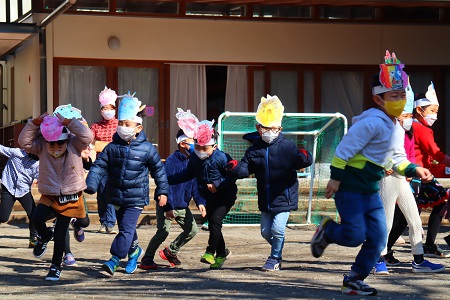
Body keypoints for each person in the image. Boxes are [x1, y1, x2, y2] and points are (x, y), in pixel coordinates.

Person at [309, 51, 433, 296]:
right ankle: (328, 230)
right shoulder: (371, 122)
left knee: (378, 239)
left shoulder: (395, 126)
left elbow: (396, 159)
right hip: (350, 188)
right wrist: (335, 177)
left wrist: (414, 168)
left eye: (402, 94)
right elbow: (343, 149)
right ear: (378, 99)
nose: (398, 99)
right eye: (393, 95)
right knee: (355, 235)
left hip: (370, 190)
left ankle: (354, 279)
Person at [85, 92, 169, 275]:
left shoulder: (147, 149)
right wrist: (91, 183)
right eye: (120, 124)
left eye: (127, 125)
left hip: (136, 198)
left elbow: (159, 172)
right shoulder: (112, 147)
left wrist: (163, 191)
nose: (123, 127)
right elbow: (99, 165)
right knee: (126, 229)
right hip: (116, 195)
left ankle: (115, 259)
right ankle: (134, 252)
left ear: (138, 128)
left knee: (126, 229)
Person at [226, 95, 312, 271]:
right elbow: (244, 169)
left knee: (278, 229)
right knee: (266, 232)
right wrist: (234, 168)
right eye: (266, 128)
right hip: (266, 199)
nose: (270, 131)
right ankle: (277, 250)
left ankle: (274, 258)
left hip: (284, 197)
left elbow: (300, 161)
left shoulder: (287, 147)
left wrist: (305, 157)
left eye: (274, 128)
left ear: (280, 129)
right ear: (258, 128)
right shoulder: (253, 150)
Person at [375, 82, 445, 274]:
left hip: (404, 179)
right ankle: (378, 258)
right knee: (387, 221)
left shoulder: (407, 131)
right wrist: (385, 166)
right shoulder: (384, 129)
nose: (409, 119)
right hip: (388, 180)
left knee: (414, 220)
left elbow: (408, 157)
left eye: (409, 116)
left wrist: (413, 170)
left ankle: (419, 259)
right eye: (404, 116)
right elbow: (376, 153)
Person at [18, 104, 93, 281]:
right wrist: (34, 124)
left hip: (71, 195)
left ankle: (55, 267)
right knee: (36, 218)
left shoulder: (75, 144)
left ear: (67, 139)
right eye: (52, 142)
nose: (55, 146)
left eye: (60, 142)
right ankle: (44, 236)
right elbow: (24, 142)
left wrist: (69, 122)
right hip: (50, 194)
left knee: (62, 233)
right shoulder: (42, 146)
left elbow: (87, 136)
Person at [167, 109, 237, 269]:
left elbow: (233, 176)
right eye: (197, 147)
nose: (200, 151)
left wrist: (217, 184)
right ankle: (221, 254)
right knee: (214, 225)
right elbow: (186, 175)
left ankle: (209, 252)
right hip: (209, 196)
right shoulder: (195, 159)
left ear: (214, 146)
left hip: (225, 196)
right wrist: (166, 178)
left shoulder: (222, 157)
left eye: (205, 148)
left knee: (215, 221)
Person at [388, 82, 450, 259]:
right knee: (404, 217)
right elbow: (435, 153)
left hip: (420, 175)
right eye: (432, 111)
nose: (435, 115)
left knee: (438, 202)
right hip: (413, 176)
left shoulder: (412, 126)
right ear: (420, 110)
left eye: (437, 111)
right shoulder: (419, 128)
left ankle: (427, 246)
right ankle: (384, 251)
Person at [139, 128, 206, 270]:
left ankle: (171, 251)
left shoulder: (193, 161)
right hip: (167, 204)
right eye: (192, 141)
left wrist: (200, 202)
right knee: (163, 232)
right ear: (182, 144)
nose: (195, 144)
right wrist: (168, 208)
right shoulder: (171, 162)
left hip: (182, 205)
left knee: (192, 230)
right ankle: (147, 258)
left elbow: (195, 183)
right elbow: (165, 186)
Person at [90, 87, 119, 234]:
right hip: (101, 162)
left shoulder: (120, 125)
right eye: (104, 108)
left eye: (110, 108)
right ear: (101, 110)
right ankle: (103, 221)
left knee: (111, 191)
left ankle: (111, 222)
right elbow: (89, 141)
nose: (107, 111)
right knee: (101, 191)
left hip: (116, 161)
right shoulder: (95, 126)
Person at [0, 145, 39, 248]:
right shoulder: (17, 153)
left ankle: (33, 239)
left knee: (34, 215)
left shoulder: (37, 164)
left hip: (24, 191)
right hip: (8, 188)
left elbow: (42, 177)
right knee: (3, 217)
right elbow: (2, 149)